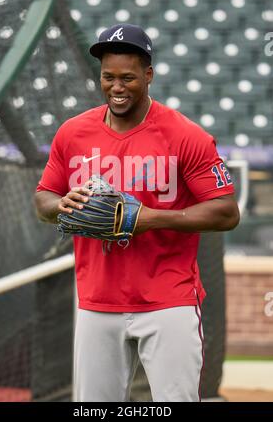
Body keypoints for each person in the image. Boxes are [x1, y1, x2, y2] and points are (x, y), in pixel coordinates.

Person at [34, 23, 240, 402]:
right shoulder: (72, 133)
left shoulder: (184, 135)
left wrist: (149, 217)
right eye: (108, 77)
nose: (116, 86)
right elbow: (44, 197)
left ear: (148, 75)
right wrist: (59, 206)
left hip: (169, 300)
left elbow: (226, 212)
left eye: (127, 77)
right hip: (96, 300)